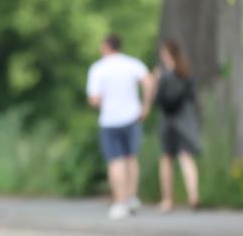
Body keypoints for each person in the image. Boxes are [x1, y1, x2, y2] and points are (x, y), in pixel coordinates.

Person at [86, 34, 154, 219]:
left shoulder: (98, 69)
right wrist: (145, 106)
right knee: (131, 157)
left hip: (110, 120)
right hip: (132, 117)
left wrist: (103, 102)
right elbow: (148, 81)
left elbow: (94, 99)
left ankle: (120, 202)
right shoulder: (132, 64)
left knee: (115, 161)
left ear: (106, 47)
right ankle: (131, 196)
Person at [152, 40, 201, 212]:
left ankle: (167, 200)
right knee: (186, 158)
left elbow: (159, 100)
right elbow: (191, 96)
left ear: (166, 54)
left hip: (169, 119)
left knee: (167, 159)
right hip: (185, 118)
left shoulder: (163, 75)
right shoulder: (186, 73)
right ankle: (193, 195)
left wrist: (155, 83)